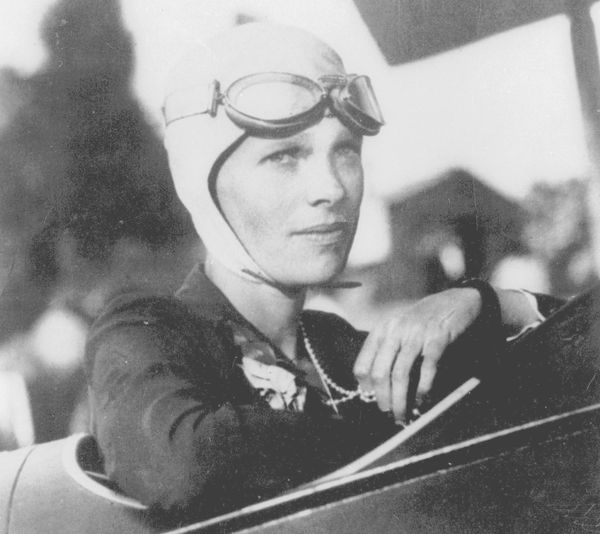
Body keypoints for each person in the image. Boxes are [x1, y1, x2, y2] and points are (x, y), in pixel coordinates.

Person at [85, 23, 560, 521]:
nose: (331, 188)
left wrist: (490, 303)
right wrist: (411, 434)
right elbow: (179, 465)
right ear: (204, 181)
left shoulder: (341, 349)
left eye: (346, 151)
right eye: (284, 156)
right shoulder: (147, 330)